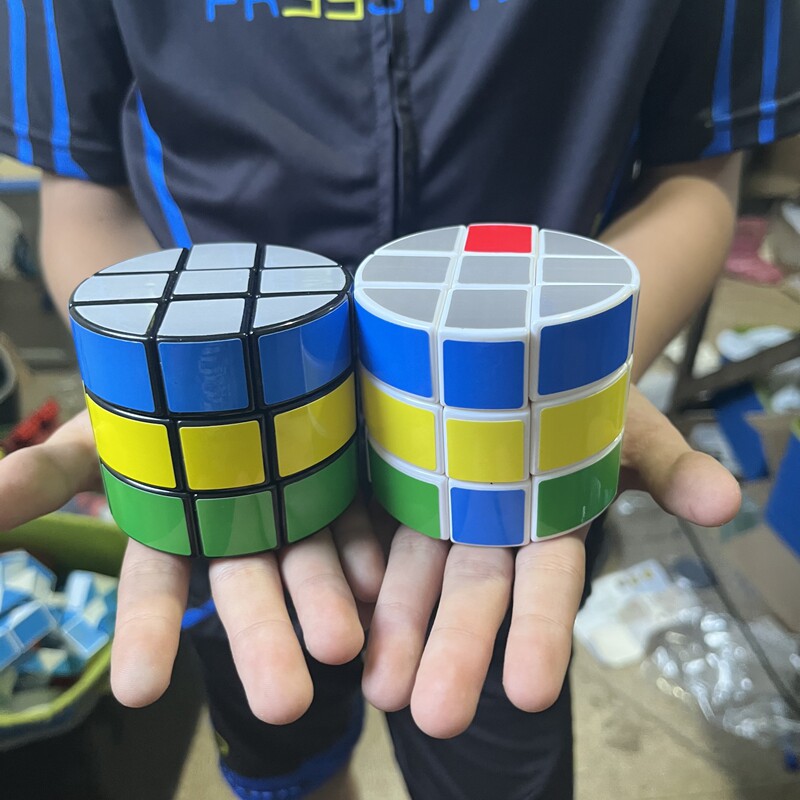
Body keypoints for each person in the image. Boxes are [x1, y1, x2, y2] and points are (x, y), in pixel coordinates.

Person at [1, 2, 797, 798]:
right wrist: (161, 384)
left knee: (494, 741)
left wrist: (581, 372)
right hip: (222, 506)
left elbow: (695, 175)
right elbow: (85, 194)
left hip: (514, 513)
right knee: (286, 760)